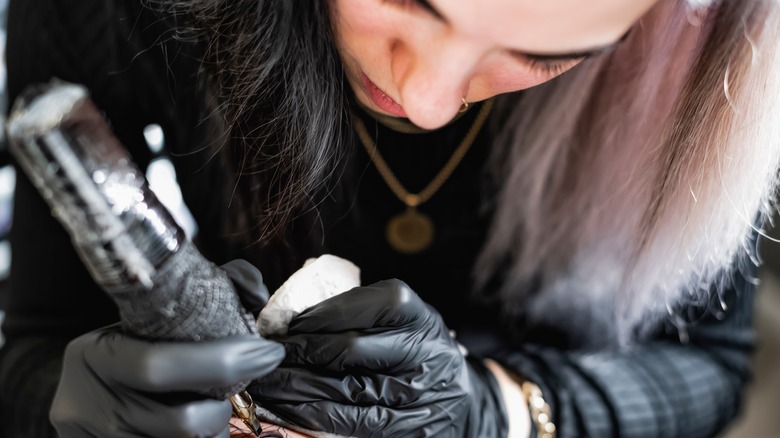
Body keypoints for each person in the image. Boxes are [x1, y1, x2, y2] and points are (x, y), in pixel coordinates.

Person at [1, 0, 778, 437]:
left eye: (542, 57)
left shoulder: (702, 66)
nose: (427, 99)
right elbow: (39, 341)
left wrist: (494, 413)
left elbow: (711, 367)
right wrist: (65, 404)